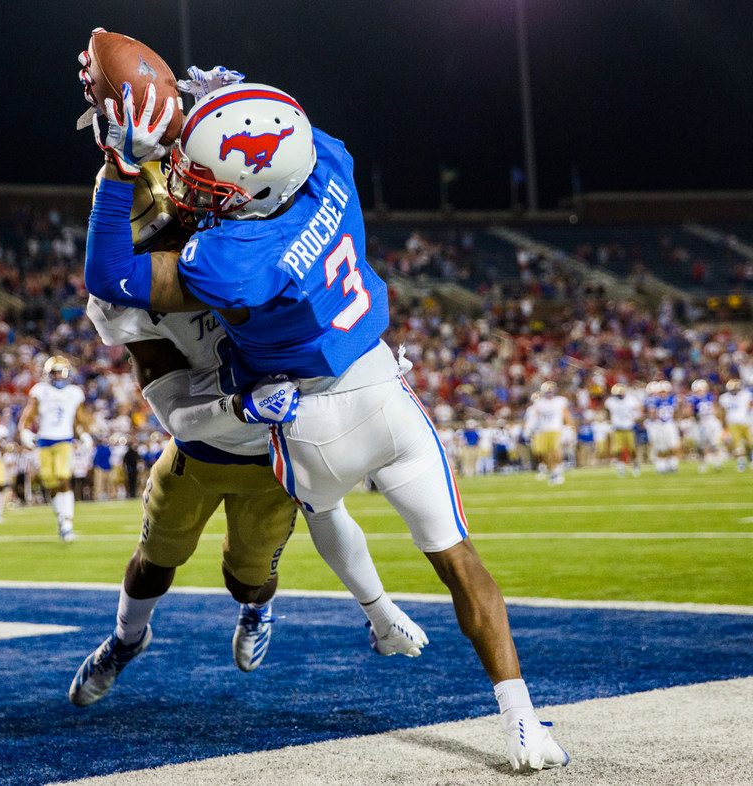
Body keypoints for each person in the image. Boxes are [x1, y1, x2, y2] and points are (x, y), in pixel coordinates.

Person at [77, 62, 566, 771]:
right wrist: (224, 96)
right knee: (459, 561)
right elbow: (284, 131)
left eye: (203, 185)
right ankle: (522, 721)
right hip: (381, 384)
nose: (187, 188)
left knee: (325, 511)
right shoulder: (330, 164)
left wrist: (119, 169)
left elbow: (110, 275)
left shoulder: (226, 257)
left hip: (302, 414)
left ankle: (378, 613)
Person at [69, 164, 424, 707]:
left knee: (248, 580)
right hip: (200, 445)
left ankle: (257, 610)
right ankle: (126, 640)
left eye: (176, 229)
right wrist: (240, 406)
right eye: (155, 242)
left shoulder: (237, 232)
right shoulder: (128, 296)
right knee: (155, 559)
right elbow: (176, 412)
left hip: (272, 452)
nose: (172, 246)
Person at [18, 356, 96, 541]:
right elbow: (28, 415)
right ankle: (61, 519)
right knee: (50, 482)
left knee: (63, 477)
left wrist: (84, 433)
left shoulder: (74, 392)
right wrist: (25, 432)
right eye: (55, 372)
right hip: (44, 441)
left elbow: (79, 419)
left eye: (62, 372)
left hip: (64, 440)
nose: (59, 376)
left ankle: (68, 523)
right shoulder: (41, 391)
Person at [533, 382, 575, 485]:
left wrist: (571, 427)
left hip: (556, 429)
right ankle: (553, 471)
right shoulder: (539, 403)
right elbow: (535, 418)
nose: (549, 394)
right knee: (547, 453)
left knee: (556, 450)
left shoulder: (560, 401)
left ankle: (559, 470)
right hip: (544, 430)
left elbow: (566, 414)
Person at [605, 383, 642, 477]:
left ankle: (635, 465)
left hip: (629, 428)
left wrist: (636, 417)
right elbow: (607, 412)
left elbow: (639, 410)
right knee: (617, 450)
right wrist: (609, 422)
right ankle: (621, 467)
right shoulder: (611, 402)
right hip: (617, 429)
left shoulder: (631, 400)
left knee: (632, 449)